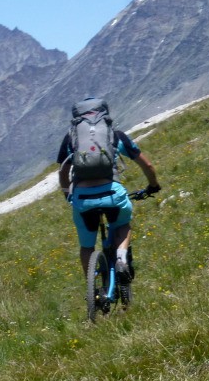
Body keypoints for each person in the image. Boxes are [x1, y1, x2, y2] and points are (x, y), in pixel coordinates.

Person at [57, 97, 160, 281]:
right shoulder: (115, 135)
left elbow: (63, 170)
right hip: (113, 194)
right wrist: (153, 185)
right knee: (122, 224)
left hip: (82, 199)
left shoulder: (72, 138)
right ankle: (121, 258)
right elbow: (148, 165)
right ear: (104, 114)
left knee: (87, 247)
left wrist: (67, 194)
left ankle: (93, 288)